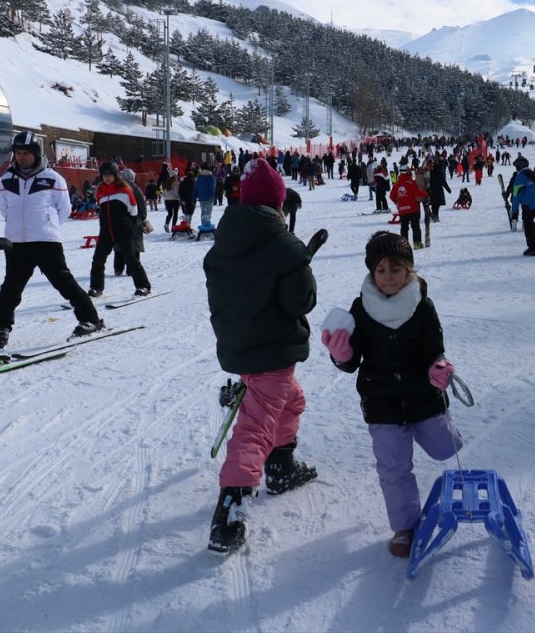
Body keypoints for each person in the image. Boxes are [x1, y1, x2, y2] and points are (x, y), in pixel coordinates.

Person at [202, 158, 321, 554]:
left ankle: (281, 466)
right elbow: (300, 300)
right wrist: (299, 262)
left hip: (240, 344)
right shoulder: (283, 245)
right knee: (255, 427)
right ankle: (230, 513)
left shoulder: (225, 240)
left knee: (292, 400)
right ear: (278, 204)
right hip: (271, 347)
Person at [321, 231, 463, 559]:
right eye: (380, 270)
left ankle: (443, 439)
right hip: (381, 401)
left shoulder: (422, 305)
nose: (388, 277)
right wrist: (341, 353)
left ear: (409, 270)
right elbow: (351, 361)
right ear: (372, 272)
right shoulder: (361, 308)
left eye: (395, 269)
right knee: (393, 469)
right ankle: (405, 527)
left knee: (446, 448)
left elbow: (434, 350)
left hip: (424, 396)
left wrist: (438, 367)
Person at [0, 132, 104, 347]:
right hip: (16, 242)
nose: (21, 157)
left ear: (36, 153)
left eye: (25, 153)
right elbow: (4, 208)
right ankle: (1, 327)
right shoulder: (7, 179)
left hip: (46, 240)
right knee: (10, 288)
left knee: (64, 282)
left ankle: (91, 320)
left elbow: (64, 209)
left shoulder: (53, 178)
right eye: (18, 153)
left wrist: (45, 225)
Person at [87, 161, 152, 298]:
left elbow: (133, 211)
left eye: (109, 175)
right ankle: (96, 288)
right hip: (105, 232)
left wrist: (127, 224)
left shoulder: (125, 191)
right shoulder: (101, 192)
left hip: (123, 231)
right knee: (98, 259)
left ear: (116, 175)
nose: (107, 178)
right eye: (104, 176)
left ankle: (143, 286)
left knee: (131, 259)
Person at [112, 168, 147, 277]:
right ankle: (132, 268)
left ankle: (118, 268)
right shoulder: (136, 188)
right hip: (134, 220)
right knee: (134, 245)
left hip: (119, 220)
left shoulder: (117, 187)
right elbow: (142, 204)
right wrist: (143, 217)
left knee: (119, 245)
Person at [510, 165, 535, 256]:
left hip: (528, 205)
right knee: (530, 221)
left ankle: (533, 249)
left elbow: (516, 197)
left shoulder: (520, 178)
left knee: (528, 225)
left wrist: (515, 213)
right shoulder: (534, 178)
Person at [389, 160, 429, 249]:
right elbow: (418, 193)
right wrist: (426, 194)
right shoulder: (411, 182)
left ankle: (404, 245)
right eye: (409, 171)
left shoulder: (396, 184)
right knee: (415, 226)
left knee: (404, 228)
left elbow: (391, 196)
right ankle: (417, 243)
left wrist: (397, 203)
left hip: (402, 210)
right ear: (406, 171)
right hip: (413, 209)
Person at [192, 163, 217, 227]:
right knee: (208, 213)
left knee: (203, 212)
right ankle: (207, 227)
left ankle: (203, 226)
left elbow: (196, 188)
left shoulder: (199, 177)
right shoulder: (212, 177)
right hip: (209, 198)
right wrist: (213, 197)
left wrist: (193, 198)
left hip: (202, 197)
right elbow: (213, 188)